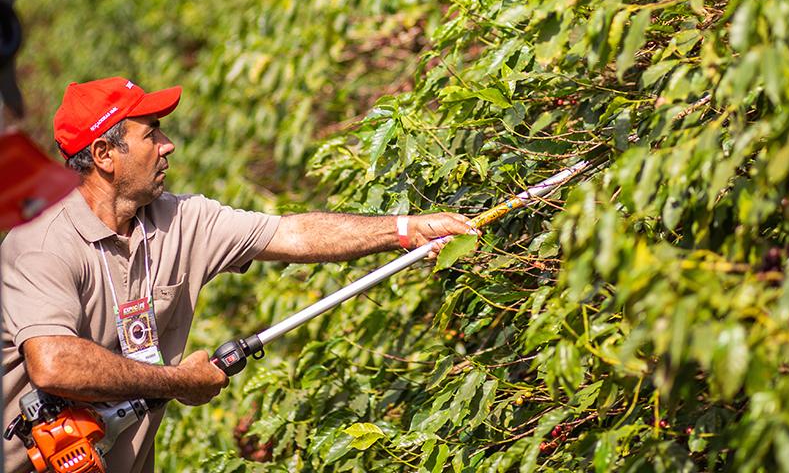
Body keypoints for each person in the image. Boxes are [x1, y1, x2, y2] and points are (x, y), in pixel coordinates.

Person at [1, 76, 473, 473]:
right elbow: (54, 363)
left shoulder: (179, 218)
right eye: (153, 133)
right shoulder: (39, 242)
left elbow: (293, 235)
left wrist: (406, 229)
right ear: (104, 154)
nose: (168, 146)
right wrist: (177, 380)